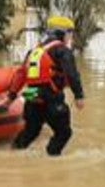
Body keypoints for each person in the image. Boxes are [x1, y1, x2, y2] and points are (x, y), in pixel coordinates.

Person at [7, 15, 85, 156]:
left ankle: (13, 153)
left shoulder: (34, 51)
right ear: (63, 34)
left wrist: (11, 96)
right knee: (64, 133)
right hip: (51, 99)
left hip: (31, 97)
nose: (70, 37)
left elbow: (20, 75)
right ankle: (51, 160)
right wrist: (79, 95)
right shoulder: (62, 51)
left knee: (31, 131)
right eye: (69, 33)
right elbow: (72, 73)